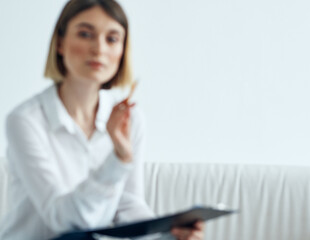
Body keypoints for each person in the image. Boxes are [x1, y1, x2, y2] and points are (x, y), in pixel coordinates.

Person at [0, 0, 204, 239]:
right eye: (85, 34)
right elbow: (62, 220)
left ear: (122, 50)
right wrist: (119, 160)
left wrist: (168, 235)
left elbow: (127, 206)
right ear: (60, 43)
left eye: (112, 39)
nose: (99, 48)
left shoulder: (130, 119)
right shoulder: (25, 121)